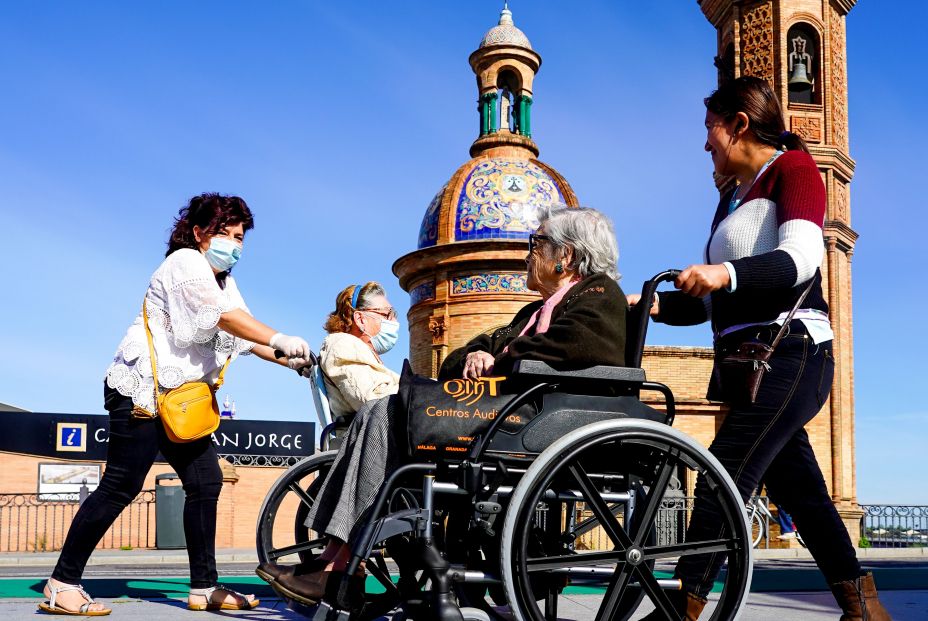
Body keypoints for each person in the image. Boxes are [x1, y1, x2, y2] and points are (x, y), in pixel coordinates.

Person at [262, 205, 628, 606]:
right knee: (378, 411)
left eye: (535, 244)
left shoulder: (598, 294)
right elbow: (459, 358)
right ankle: (334, 561)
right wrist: (481, 355)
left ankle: (339, 570)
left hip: (534, 420)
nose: (528, 254)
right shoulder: (533, 311)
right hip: (507, 415)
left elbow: (576, 346)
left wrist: (499, 357)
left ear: (566, 256)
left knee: (386, 412)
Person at [630, 77, 890, 621]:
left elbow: (800, 260)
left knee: (724, 469)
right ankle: (863, 606)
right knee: (802, 493)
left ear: (739, 124)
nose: (705, 142)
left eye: (711, 128)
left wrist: (724, 272)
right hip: (749, 363)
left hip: (791, 354)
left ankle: (684, 604)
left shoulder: (794, 169)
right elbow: (712, 303)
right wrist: (652, 304)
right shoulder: (728, 198)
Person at [40, 193, 313, 616]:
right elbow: (225, 318)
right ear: (199, 232)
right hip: (143, 391)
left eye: (240, 237)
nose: (234, 244)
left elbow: (243, 335)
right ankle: (61, 584)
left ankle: (204, 587)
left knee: (205, 481)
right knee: (121, 484)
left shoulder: (224, 282)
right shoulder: (185, 263)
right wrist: (280, 337)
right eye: (224, 233)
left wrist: (290, 359)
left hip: (180, 402)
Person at [318, 282, 401, 420]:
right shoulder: (341, 345)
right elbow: (375, 402)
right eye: (387, 314)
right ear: (360, 319)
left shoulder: (356, 351)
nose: (395, 321)